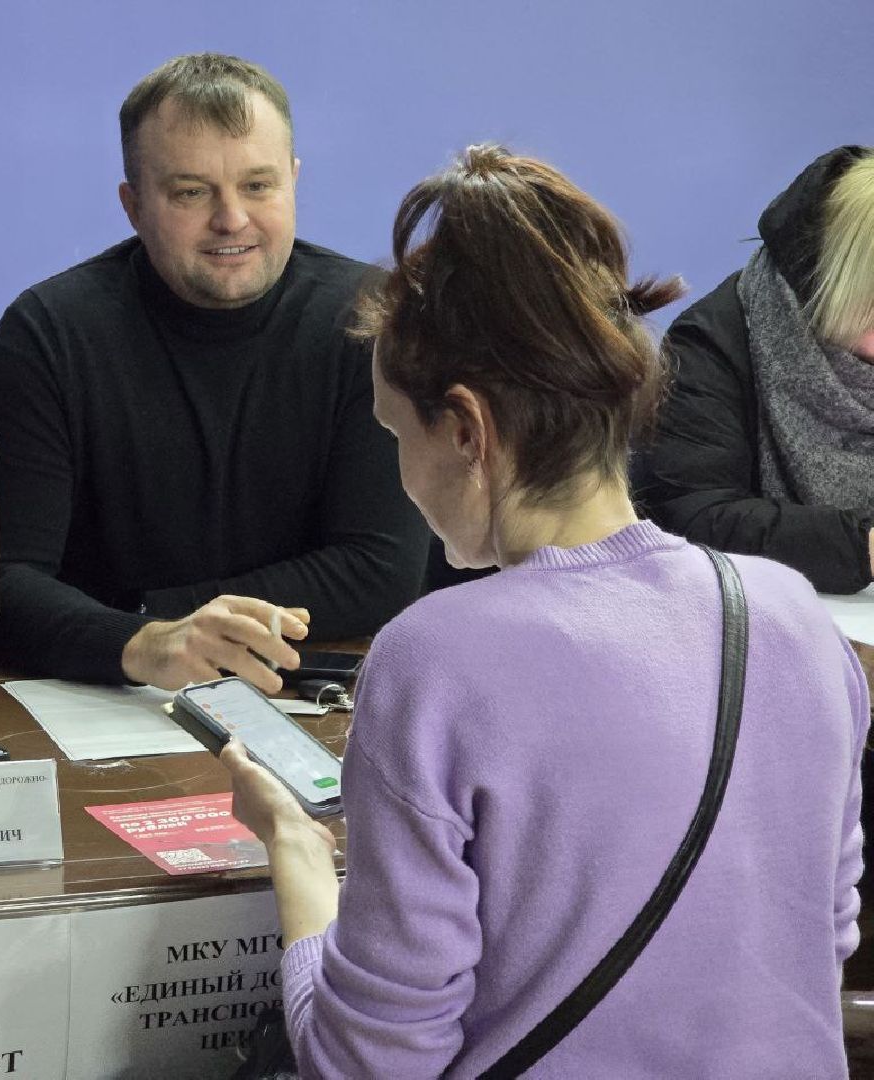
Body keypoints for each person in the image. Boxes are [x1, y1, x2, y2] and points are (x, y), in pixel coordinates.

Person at [223, 145, 865, 1077]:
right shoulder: (796, 615)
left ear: (468, 430)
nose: (400, 475)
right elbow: (824, 934)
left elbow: (370, 1062)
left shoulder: (431, 661)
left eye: (397, 435)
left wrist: (297, 861)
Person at [0, 53, 428, 692]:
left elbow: (381, 568)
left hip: (311, 687)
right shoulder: (48, 332)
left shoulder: (372, 320)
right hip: (108, 692)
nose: (232, 219)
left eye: (258, 185)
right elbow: (2, 582)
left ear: (294, 180)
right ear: (132, 205)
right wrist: (141, 641)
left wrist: (152, 613)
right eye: (191, 192)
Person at [642, 145, 874, 595]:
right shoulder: (710, 344)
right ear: (832, 289)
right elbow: (694, 515)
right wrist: (863, 545)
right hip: (751, 620)